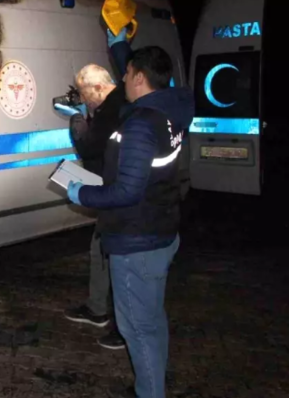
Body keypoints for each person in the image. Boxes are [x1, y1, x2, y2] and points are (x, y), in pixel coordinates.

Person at [67, 40, 194, 398]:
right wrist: (120, 45)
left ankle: (150, 392)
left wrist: (81, 193)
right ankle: (149, 386)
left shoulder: (141, 124)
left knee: (138, 329)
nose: (121, 78)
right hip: (161, 231)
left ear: (139, 78)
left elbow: (126, 192)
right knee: (152, 321)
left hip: (136, 240)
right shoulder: (173, 108)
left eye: (127, 73)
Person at [55, 29, 133, 350]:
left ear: (100, 87)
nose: (85, 101)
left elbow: (88, 147)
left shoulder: (111, 110)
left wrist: (77, 119)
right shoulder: (117, 102)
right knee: (100, 250)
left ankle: (121, 326)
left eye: (86, 96)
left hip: (118, 196)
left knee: (119, 261)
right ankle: (98, 308)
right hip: (113, 191)